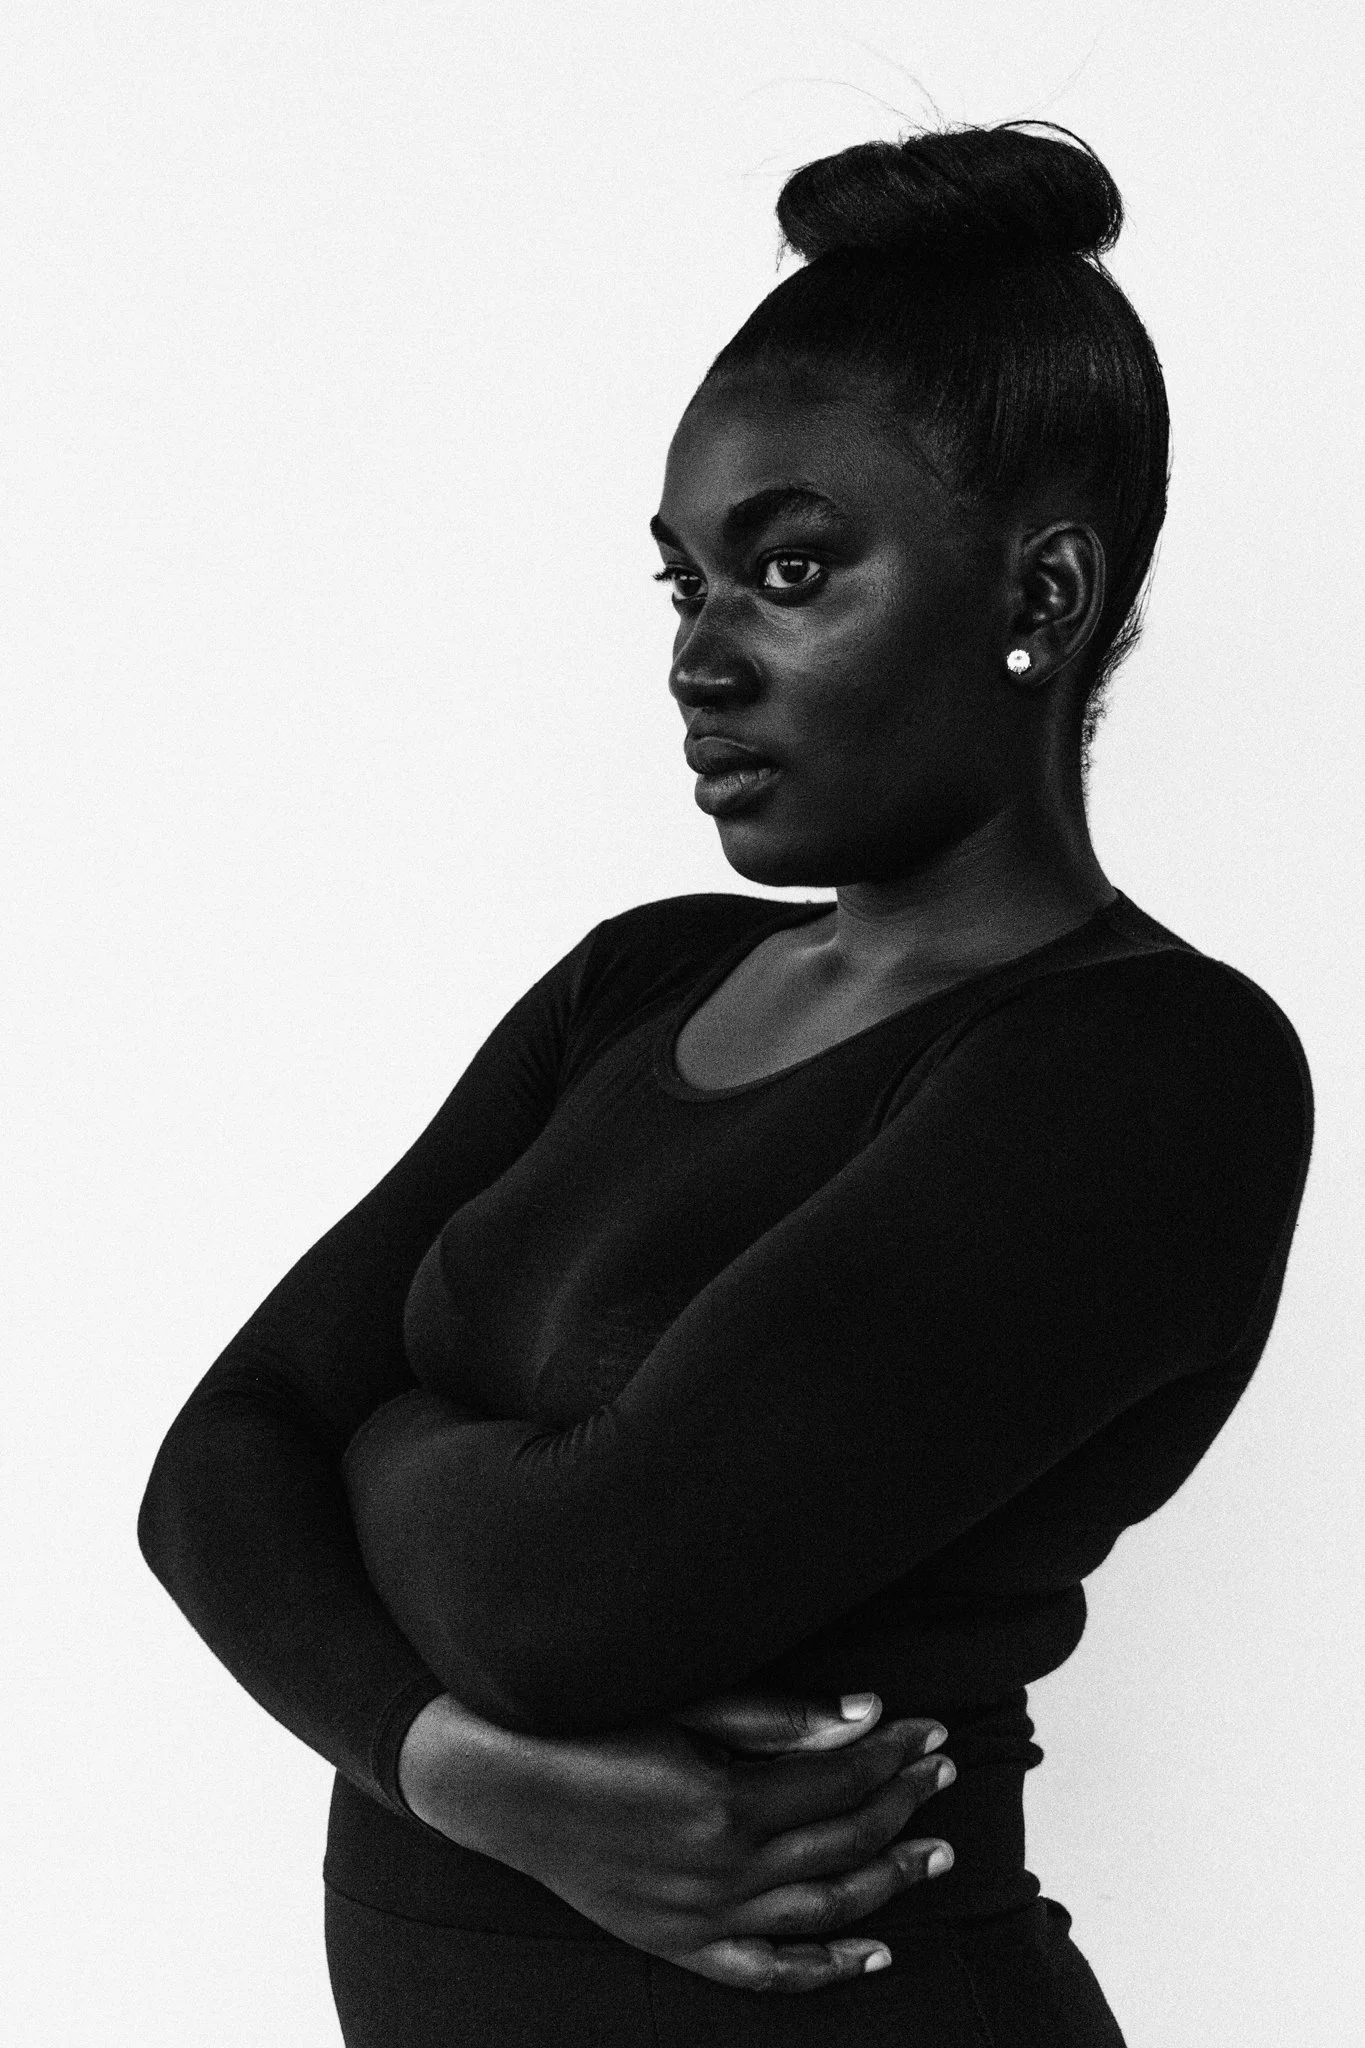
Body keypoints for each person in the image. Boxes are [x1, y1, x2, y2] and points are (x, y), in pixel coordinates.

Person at [138, 120, 1314, 2046]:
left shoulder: (1151, 1074)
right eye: (681, 582)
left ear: (1046, 589)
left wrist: (375, 1443)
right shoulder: (643, 978)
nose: (702, 655)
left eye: (789, 569)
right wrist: (458, 1770)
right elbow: (209, 1468)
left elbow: (568, 1604)